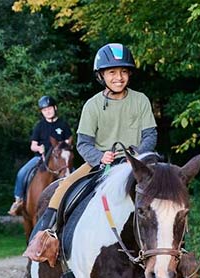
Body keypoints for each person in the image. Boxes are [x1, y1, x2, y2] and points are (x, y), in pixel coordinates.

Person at [24, 42, 157, 264]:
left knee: (169, 190)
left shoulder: (140, 100)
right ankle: (44, 239)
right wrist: (99, 156)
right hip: (102, 162)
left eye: (124, 71)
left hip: (138, 164)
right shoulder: (92, 105)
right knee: (62, 188)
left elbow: (150, 135)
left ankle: (178, 252)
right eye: (112, 72)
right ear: (101, 75)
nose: (119, 77)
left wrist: (138, 157)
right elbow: (84, 143)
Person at [8, 95, 73, 216]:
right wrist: (39, 148)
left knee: (73, 173)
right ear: (42, 112)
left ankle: (75, 199)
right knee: (22, 172)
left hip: (60, 160)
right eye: (44, 110)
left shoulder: (63, 125)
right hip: (41, 158)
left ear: (55, 108)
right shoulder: (40, 126)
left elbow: (69, 142)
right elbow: (33, 145)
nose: (47, 111)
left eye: (49, 108)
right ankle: (18, 200)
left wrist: (66, 145)